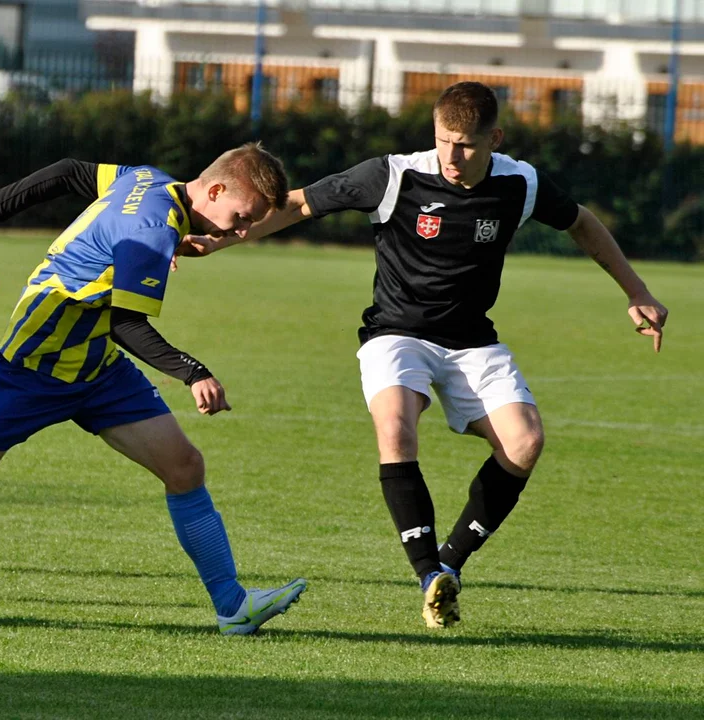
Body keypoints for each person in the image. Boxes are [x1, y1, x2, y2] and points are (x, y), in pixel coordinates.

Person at [175, 82, 669, 628]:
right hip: (396, 332)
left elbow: (581, 221)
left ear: (494, 138)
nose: (451, 156)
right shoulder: (392, 175)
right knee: (395, 422)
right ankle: (427, 573)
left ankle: (448, 568)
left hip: (473, 340)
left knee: (526, 442)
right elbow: (297, 204)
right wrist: (222, 240)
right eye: (442, 141)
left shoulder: (519, 183)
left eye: (465, 145)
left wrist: (636, 291)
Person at [0, 143, 309, 635]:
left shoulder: (147, 179)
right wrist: (193, 372)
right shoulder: (151, 226)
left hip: (97, 367)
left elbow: (68, 172)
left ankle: (232, 606)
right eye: (240, 216)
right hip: (33, 366)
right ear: (213, 190)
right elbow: (127, 322)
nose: (240, 231)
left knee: (184, 466)